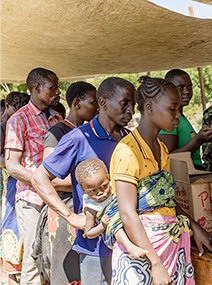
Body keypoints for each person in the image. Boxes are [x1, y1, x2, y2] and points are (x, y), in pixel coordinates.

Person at [32, 78, 153, 284]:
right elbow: (39, 178)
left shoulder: (129, 140)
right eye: (125, 103)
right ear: (103, 103)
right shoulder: (78, 138)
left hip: (131, 245)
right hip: (96, 249)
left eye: (133, 104)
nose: (131, 111)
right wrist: (70, 216)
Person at [110, 76, 212, 285]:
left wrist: (195, 227)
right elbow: (127, 213)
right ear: (149, 107)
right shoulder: (127, 151)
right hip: (143, 255)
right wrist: (156, 265)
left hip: (169, 247)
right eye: (172, 109)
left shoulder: (162, 149)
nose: (178, 116)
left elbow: (165, 200)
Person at [35, 81, 99, 285]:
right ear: (77, 103)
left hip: (87, 210)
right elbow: (51, 179)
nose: (98, 107)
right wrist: (90, 182)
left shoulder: (91, 131)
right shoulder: (58, 133)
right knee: (69, 275)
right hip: (67, 213)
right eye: (93, 102)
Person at [5, 68, 63, 284]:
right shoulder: (18, 120)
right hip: (32, 201)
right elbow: (13, 167)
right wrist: (42, 183)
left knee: (52, 258)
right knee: (33, 261)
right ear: (37, 88)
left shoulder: (57, 118)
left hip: (57, 200)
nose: (58, 92)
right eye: (53, 87)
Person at [76, 158, 148, 259]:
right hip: (113, 228)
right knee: (114, 225)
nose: (100, 192)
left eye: (103, 186)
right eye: (93, 191)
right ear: (84, 190)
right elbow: (89, 233)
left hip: (128, 218)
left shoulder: (114, 186)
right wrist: (102, 226)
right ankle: (130, 248)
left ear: (108, 178)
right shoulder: (91, 206)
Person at [159, 70, 212, 170]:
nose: (187, 91)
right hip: (183, 178)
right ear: (168, 90)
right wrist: (198, 139)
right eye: (180, 88)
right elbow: (169, 157)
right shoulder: (168, 118)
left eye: (189, 87)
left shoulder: (181, 117)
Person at [0, 92, 29, 280]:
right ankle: (10, 275)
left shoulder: (20, 124)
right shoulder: (4, 127)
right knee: (11, 225)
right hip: (11, 183)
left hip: (21, 183)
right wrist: (16, 164)